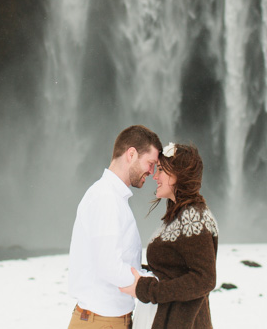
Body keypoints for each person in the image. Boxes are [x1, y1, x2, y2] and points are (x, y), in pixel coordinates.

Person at [67, 125, 163, 329]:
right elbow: (109, 266)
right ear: (131, 154)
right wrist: (148, 285)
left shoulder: (112, 198)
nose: (152, 172)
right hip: (101, 322)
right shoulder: (106, 198)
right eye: (151, 163)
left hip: (106, 320)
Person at [119, 142, 218, 329]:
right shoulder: (178, 216)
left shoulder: (194, 217)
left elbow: (204, 279)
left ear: (178, 175)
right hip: (164, 317)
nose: (155, 176)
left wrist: (147, 289)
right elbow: (172, 270)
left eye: (162, 170)